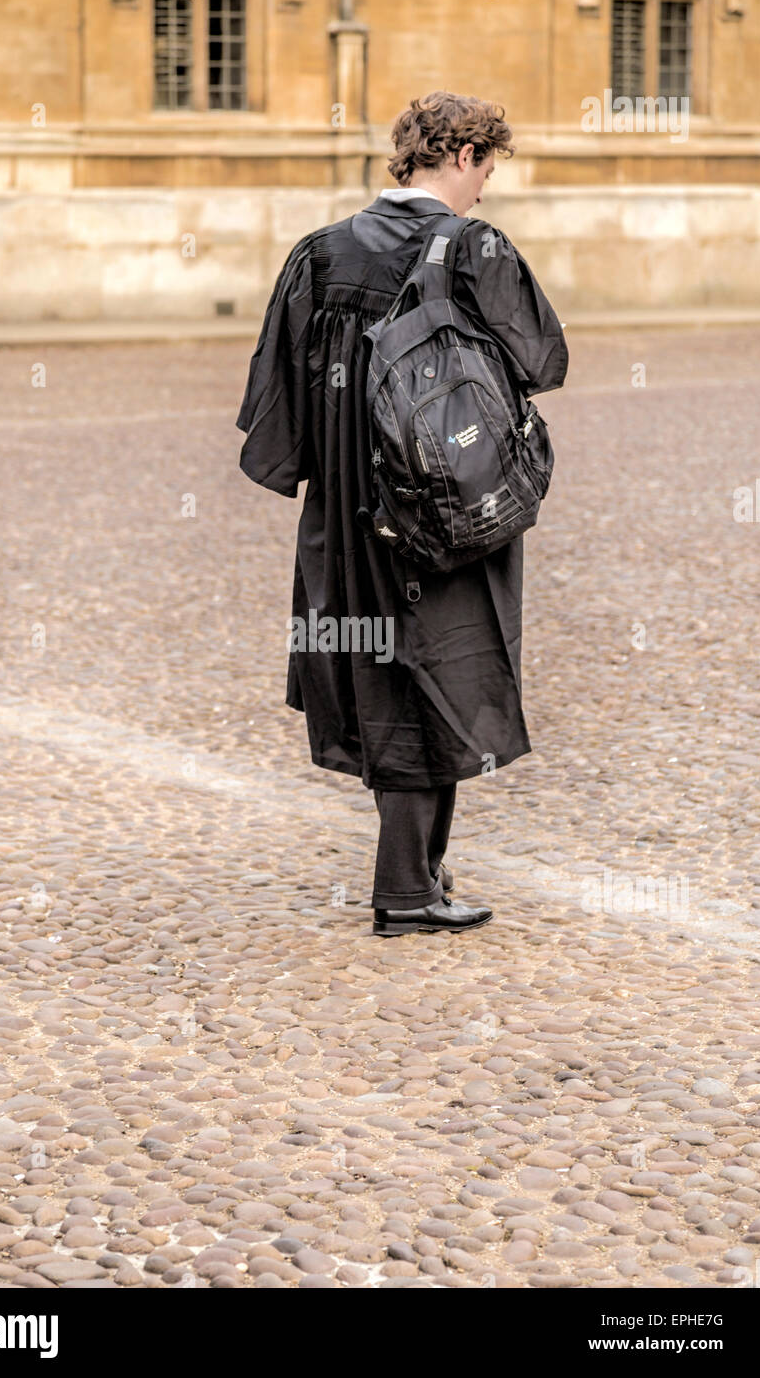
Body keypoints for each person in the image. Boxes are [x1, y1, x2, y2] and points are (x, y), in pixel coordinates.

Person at [236, 91, 568, 937]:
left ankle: (415, 877)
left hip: (348, 515)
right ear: (460, 154)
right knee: (446, 670)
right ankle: (409, 892)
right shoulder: (473, 249)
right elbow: (540, 360)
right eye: (487, 167)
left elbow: (278, 408)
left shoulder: (322, 251)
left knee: (382, 670)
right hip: (441, 506)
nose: (488, 188)